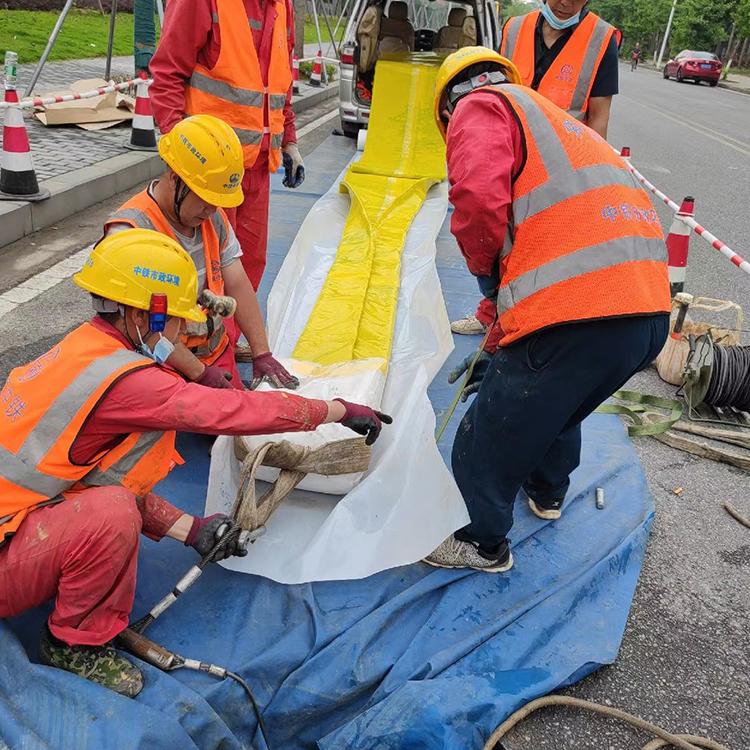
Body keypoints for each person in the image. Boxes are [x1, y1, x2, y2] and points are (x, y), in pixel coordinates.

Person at [0, 229, 391, 696]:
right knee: (113, 514)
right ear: (138, 313)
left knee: (111, 504)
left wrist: (194, 530)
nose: (178, 334)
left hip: (19, 518)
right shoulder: (129, 382)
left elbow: (87, 482)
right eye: (171, 320)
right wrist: (336, 409)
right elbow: (236, 414)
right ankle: (71, 644)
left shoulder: (88, 348)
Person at [424, 48, 670, 572]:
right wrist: (502, 335)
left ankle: (479, 540)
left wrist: (487, 277)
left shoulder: (479, 105)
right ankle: (547, 492)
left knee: (493, 426)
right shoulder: (552, 120)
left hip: (579, 310)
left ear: (446, 109)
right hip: (647, 310)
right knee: (562, 402)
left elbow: (476, 200)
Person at [451, 0, 620, 337]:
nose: (565, 3)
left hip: (560, 166)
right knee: (501, 236)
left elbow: (598, 119)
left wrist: (589, 177)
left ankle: (529, 325)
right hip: (508, 152)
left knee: (546, 250)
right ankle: (490, 315)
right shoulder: (513, 29)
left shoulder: (601, 39)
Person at [105, 114, 296, 391]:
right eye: (206, 200)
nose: (211, 210)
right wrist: (199, 374)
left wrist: (261, 352)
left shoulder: (212, 220)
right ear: (175, 179)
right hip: (157, 369)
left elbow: (239, 284)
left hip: (214, 358)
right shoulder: (131, 232)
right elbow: (146, 329)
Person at [149, 0, 305, 293]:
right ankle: (200, 338)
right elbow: (168, 74)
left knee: (246, 268)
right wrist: (181, 151)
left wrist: (289, 140)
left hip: (256, 168)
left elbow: (278, 84)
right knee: (205, 269)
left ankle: (228, 340)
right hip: (207, 172)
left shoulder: (282, 6)